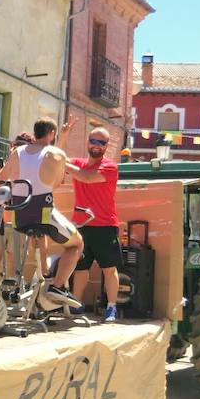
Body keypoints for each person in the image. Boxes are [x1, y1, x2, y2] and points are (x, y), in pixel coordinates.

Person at [0, 118, 84, 304]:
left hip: (19, 217)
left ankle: (43, 281)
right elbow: (58, 182)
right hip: (44, 216)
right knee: (77, 244)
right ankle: (57, 286)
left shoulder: (17, 152)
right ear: (51, 134)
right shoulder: (56, 154)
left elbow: (1, 178)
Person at [59, 124, 121, 322]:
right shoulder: (78, 163)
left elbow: (86, 178)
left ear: (106, 146)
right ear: (87, 142)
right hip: (81, 225)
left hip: (105, 225)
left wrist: (64, 164)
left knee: (109, 269)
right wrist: (64, 135)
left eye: (101, 143)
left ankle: (112, 307)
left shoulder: (110, 167)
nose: (96, 145)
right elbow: (57, 158)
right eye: (93, 141)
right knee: (80, 268)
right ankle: (77, 303)